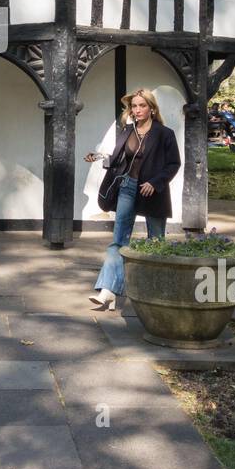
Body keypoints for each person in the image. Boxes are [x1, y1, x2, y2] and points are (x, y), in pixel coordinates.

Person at [84, 87, 181, 310]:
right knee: (119, 239)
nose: (137, 110)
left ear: (152, 108)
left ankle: (156, 291)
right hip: (127, 186)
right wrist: (98, 156)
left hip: (153, 191)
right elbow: (119, 159)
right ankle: (108, 290)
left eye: (141, 106)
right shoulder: (127, 131)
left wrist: (155, 183)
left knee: (156, 241)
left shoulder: (165, 134)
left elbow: (173, 164)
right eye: (134, 106)